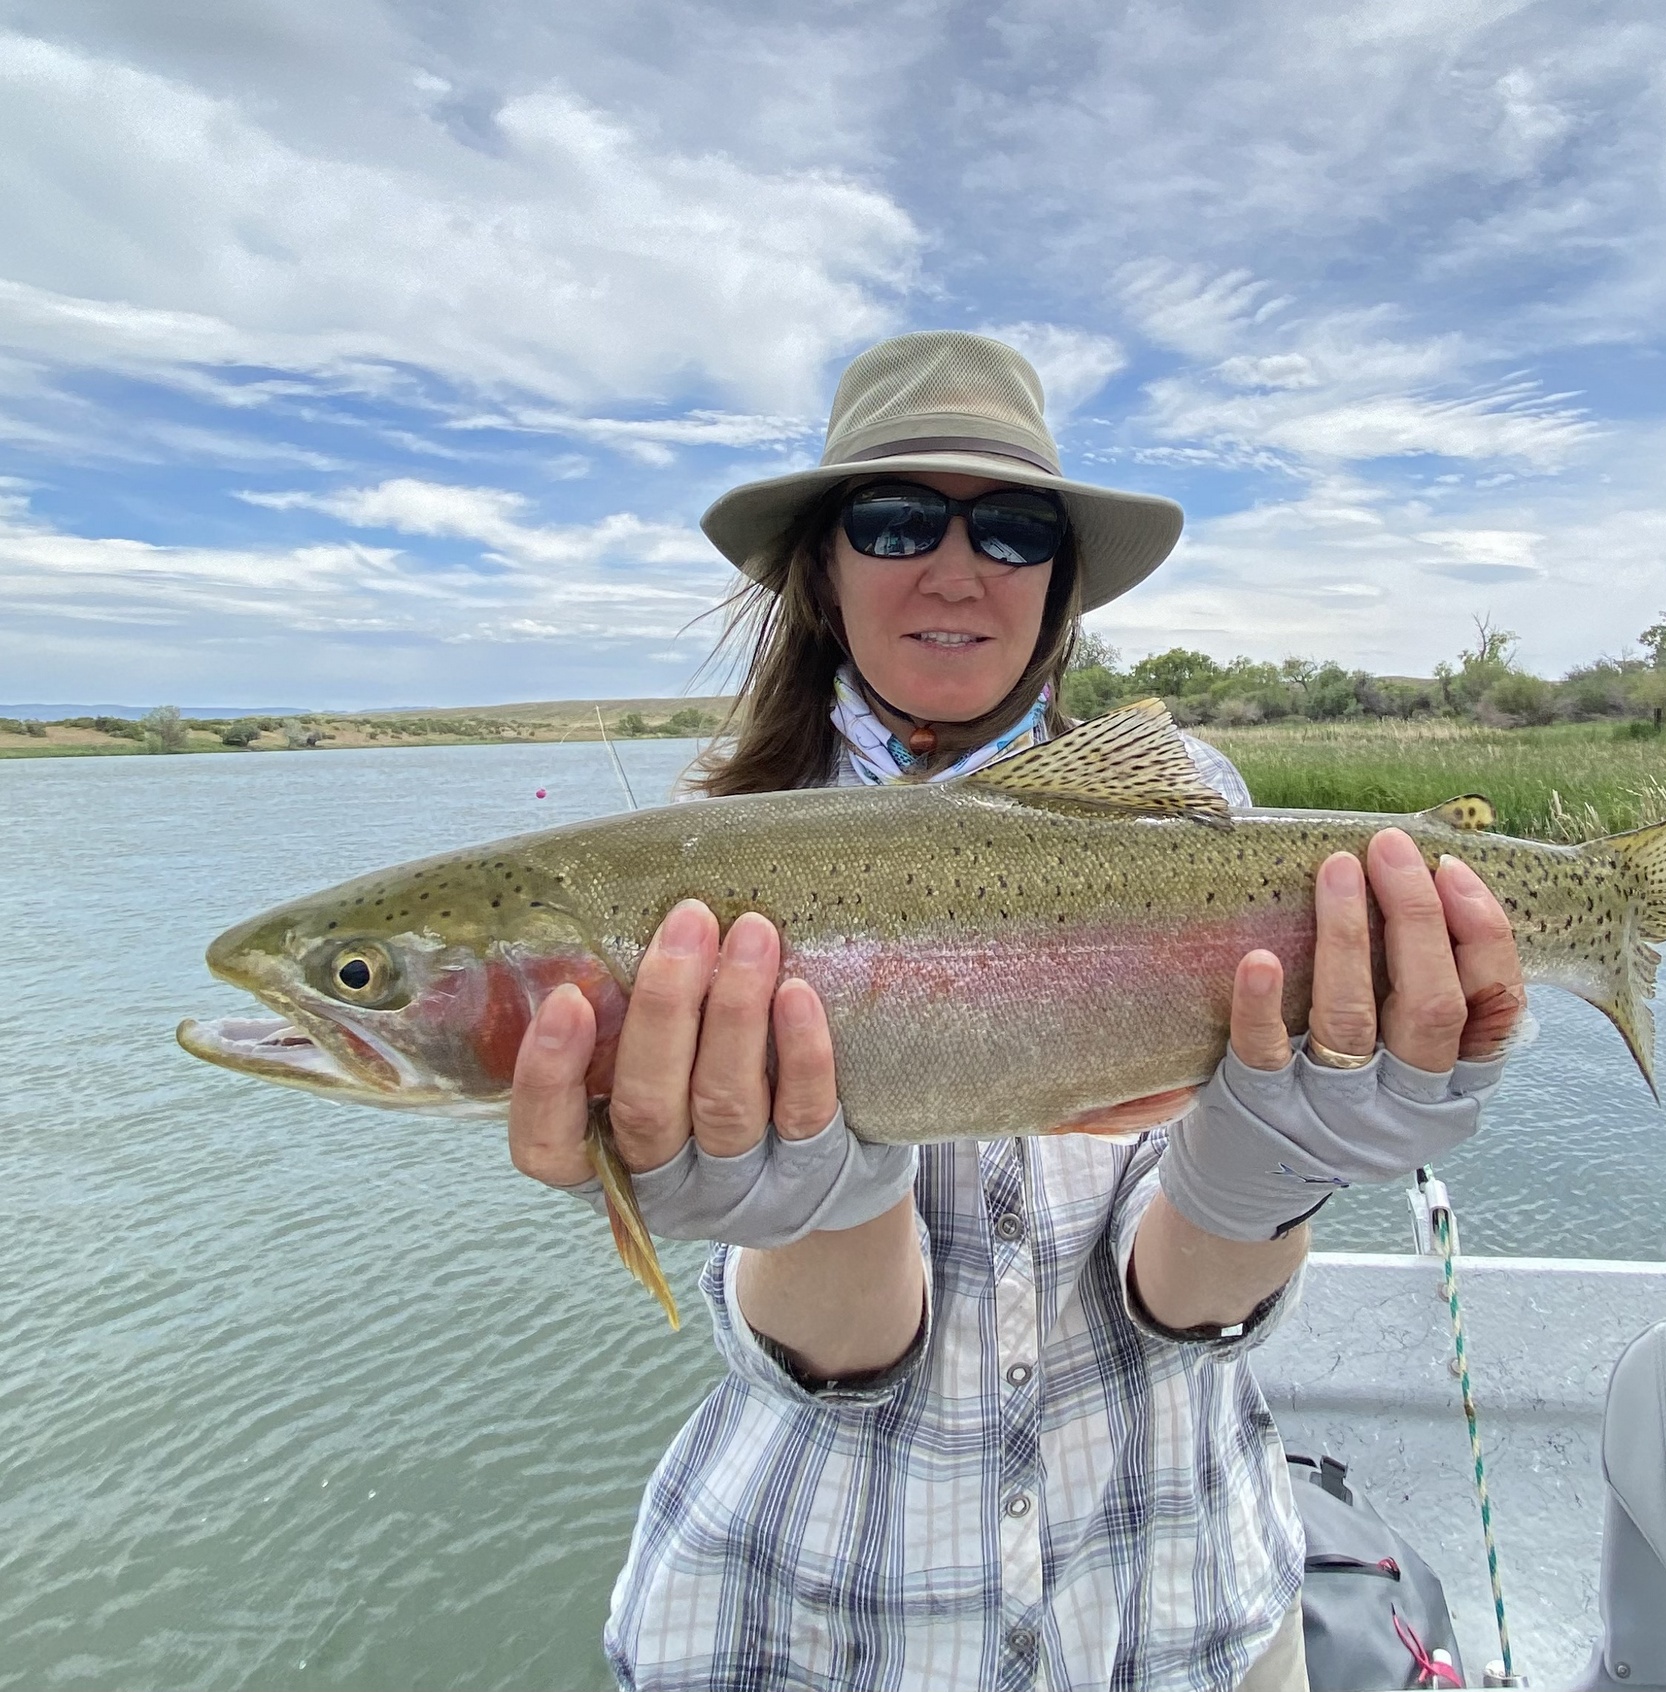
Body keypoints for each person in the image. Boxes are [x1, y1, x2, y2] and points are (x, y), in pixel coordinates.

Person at [505, 332, 1525, 1692]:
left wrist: (1273, 1170)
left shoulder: (1202, 818)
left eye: (1015, 528)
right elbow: (843, 1355)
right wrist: (815, 1201)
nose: (956, 566)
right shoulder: (700, 883)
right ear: (822, 564)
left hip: (1193, 1610)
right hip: (813, 1621)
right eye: (894, 519)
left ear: (1061, 581)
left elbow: (1183, 1311)